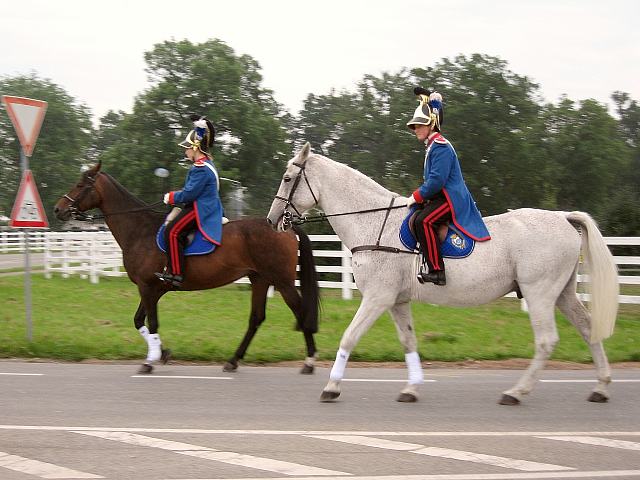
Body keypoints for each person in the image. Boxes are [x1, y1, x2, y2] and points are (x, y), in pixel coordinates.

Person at [405, 87, 491, 286]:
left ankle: (437, 271)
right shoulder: (433, 145)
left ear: (430, 125)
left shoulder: (441, 146)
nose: (415, 129)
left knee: (424, 221)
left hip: (451, 199)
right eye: (414, 125)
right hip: (439, 198)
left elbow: (436, 181)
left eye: (419, 125)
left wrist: (415, 196)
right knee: (416, 217)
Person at [155, 115, 224, 287]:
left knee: (172, 231)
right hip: (207, 206)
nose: (185, 152)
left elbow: (189, 194)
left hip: (201, 209)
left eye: (187, 148)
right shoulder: (206, 163)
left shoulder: (200, 168)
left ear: (195, 148)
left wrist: (170, 197)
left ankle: (176, 273)